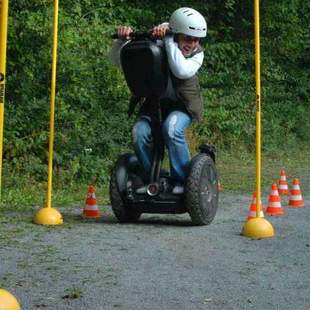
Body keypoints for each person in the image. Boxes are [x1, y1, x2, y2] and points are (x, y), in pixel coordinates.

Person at [110, 7, 207, 194]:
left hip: (182, 106)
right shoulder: (158, 45)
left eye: (196, 40)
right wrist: (121, 40)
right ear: (178, 33)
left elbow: (181, 70)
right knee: (139, 132)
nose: (192, 44)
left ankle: (182, 181)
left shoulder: (197, 54)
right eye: (187, 38)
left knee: (171, 128)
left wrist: (169, 38)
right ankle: (154, 177)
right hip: (154, 103)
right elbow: (117, 60)